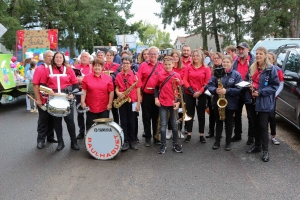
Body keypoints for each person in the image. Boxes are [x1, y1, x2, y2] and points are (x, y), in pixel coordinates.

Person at [40, 52, 80, 151]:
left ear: (63, 59)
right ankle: (60, 142)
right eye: (56, 57)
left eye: (60, 57)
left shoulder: (69, 69)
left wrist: (72, 93)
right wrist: (48, 92)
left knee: (70, 121)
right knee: (57, 122)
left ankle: (73, 142)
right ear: (54, 59)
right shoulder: (47, 70)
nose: (58, 59)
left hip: (67, 97)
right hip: (54, 98)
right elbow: (42, 84)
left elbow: (75, 84)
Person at [246, 46, 279, 162]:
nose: (258, 55)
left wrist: (260, 92)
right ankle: (257, 145)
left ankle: (265, 151)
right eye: (257, 53)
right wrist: (249, 86)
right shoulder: (253, 67)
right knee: (255, 124)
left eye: (261, 54)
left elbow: (275, 86)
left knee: (263, 126)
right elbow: (249, 80)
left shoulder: (271, 68)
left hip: (264, 102)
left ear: (265, 55)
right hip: (252, 100)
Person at [207, 55, 242, 151]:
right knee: (218, 122)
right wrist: (215, 90)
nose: (225, 64)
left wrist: (226, 91)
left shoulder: (236, 75)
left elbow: (239, 89)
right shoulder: (217, 73)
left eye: (228, 62)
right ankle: (217, 141)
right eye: (224, 62)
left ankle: (228, 142)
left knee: (229, 123)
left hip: (230, 102)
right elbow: (210, 85)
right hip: (218, 102)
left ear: (231, 63)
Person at [154, 56, 183, 154]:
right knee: (163, 125)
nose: (167, 66)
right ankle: (163, 145)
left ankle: (175, 144)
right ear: (163, 64)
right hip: (162, 102)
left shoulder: (177, 75)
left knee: (174, 125)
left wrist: (178, 102)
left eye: (169, 64)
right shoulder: (160, 74)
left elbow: (180, 90)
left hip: (173, 103)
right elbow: (156, 88)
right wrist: (156, 98)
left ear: (173, 64)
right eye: (165, 64)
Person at [138, 46, 164, 147]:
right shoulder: (143, 65)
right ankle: (148, 137)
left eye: (155, 54)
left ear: (158, 55)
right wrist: (140, 93)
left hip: (158, 96)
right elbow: (139, 79)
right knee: (146, 117)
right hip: (146, 95)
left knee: (156, 117)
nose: (153, 55)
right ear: (148, 55)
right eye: (151, 54)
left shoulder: (161, 66)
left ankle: (156, 137)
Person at [183, 49, 211, 143]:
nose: (195, 57)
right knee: (190, 113)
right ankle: (189, 134)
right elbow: (185, 80)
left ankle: (201, 134)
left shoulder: (206, 68)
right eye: (194, 55)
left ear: (201, 57)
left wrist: (200, 92)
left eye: (197, 55)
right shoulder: (188, 67)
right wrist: (192, 91)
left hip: (201, 94)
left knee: (201, 114)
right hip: (189, 93)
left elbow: (208, 82)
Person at [231, 42, 256, 145]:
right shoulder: (235, 60)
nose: (240, 51)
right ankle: (237, 134)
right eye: (239, 49)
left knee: (250, 115)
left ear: (248, 49)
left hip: (248, 90)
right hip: (238, 90)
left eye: (243, 49)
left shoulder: (253, 60)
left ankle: (251, 137)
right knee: (237, 114)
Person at [115, 56, 141, 151]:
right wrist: (118, 93)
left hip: (133, 101)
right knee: (124, 121)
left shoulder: (136, 75)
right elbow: (117, 87)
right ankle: (125, 141)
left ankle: (132, 140)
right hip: (122, 101)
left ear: (131, 64)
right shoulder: (118, 75)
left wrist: (138, 103)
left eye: (127, 63)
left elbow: (138, 90)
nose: (125, 64)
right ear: (122, 64)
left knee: (132, 121)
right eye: (124, 63)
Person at [81, 58, 114, 131]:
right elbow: (84, 90)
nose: (97, 67)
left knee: (103, 127)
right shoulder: (86, 78)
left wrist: (110, 103)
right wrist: (82, 102)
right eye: (95, 65)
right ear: (92, 67)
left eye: (99, 66)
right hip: (90, 107)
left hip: (104, 107)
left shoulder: (108, 78)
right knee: (90, 127)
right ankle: (90, 141)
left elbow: (111, 91)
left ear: (102, 67)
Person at [33, 50, 57, 149]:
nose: (51, 58)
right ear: (44, 58)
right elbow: (35, 85)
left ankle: (50, 137)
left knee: (52, 119)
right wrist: (38, 100)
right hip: (42, 99)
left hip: (52, 99)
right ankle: (41, 140)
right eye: (49, 56)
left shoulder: (55, 68)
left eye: (52, 56)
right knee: (43, 120)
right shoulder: (39, 69)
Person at [166, 50, 186, 139]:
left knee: (180, 113)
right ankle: (170, 131)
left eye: (177, 56)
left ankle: (178, 130)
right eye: (173, 56)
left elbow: (184, 81)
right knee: (170, 113)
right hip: (169, 94)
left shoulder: (184, 68)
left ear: (179, 58)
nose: (175, 58)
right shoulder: (169, 67)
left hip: (180, 93)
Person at [75, 52, 93, 139]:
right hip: (79, 92)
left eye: (86, 56)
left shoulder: (92, 67)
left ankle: (89, 131)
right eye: (82, 56)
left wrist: (84, 79)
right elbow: (71, 78)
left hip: (90, 93)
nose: (84, 58)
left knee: (90, 113)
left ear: (89, 58)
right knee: (80, 113)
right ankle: (81, 131)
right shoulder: (76, 67)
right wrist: (77, 79)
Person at [206, 52, 224, 138]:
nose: (216, 59)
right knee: (211, 114)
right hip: (211, 93)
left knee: (219, 114)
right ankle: (211, 131)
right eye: (215, 58)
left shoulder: (223, 68)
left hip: (220, 94)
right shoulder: (210, 67)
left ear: (221, 59)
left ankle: (218, 133)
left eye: (218, 58)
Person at [267, 52, 284, 145]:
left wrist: (274, 94)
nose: (268, 60)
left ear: (274, 60)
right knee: (263, 117)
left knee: (272, 116)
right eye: (267, 58)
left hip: (272, 97)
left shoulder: (278, 70)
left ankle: (273, 136)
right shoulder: (263, 69)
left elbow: (281, 84)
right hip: (263, 96)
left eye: (270, 59)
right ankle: (263, 135)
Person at [104, 50, 120, 124]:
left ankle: (116, 125)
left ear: (113, 57)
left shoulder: (117, 65)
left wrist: (110, 76)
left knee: (114, 109)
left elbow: (118, 76)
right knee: (104, 110)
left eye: (110, 55)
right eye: (107, 55)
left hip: (113, 89)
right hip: (103, 90)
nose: (108, 57)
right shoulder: (102, 65)